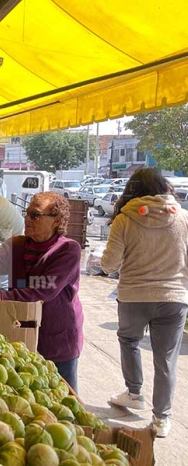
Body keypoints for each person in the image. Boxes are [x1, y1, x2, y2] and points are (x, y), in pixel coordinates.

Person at [0, 192, 84, 392]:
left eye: (35, 215)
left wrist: (3, 296)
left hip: (56, 339)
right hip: (22, 331)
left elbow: (44, 289)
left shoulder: (68, 250)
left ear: (56, 221)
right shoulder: (17, 244)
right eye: (27, 214)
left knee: (63, 398)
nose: (27, 219)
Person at [101, 168, 188, 438]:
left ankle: (134, 393)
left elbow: (109, 264)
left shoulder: (124, 219)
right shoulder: (184, 218)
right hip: (174, 298)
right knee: (166, 358)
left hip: (134, 296)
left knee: (129, 340)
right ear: (164, 187)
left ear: (133, 189)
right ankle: (162, 419)